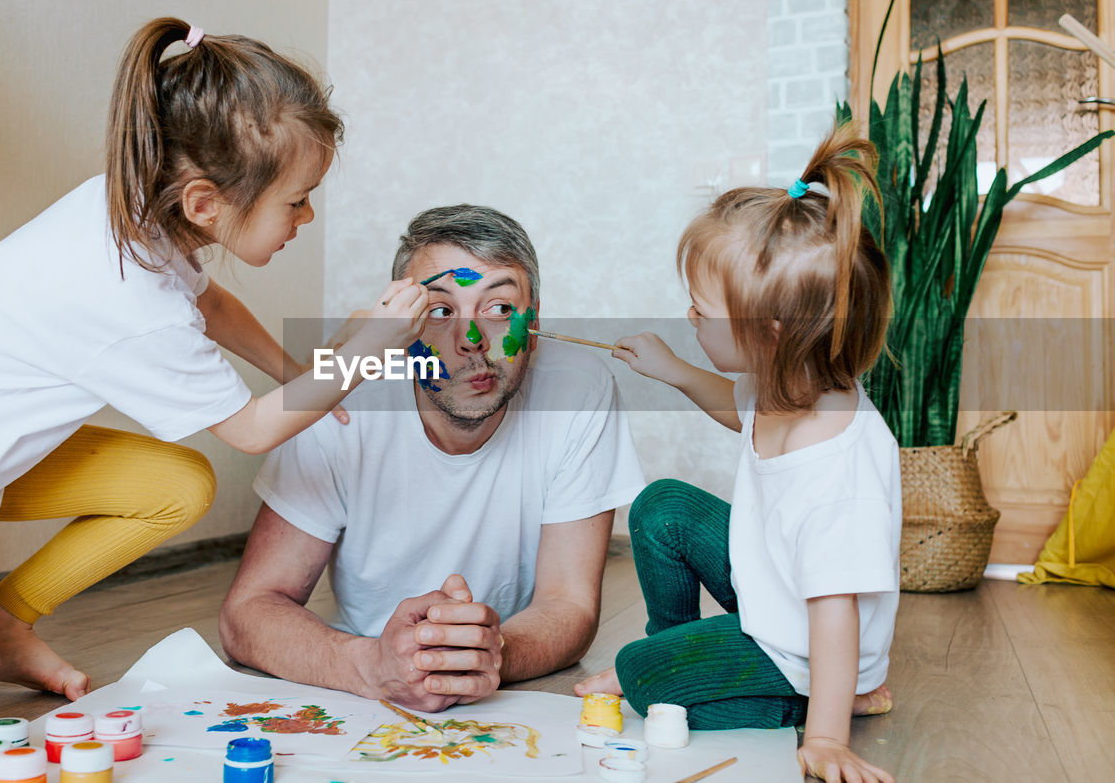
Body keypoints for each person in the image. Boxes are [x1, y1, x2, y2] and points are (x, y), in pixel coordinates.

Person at [0, 17, 427, 775]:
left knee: (174, 485)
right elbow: (247, 432)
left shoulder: (138, 212)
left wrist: (298, 370)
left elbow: (211, 307)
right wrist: (358, 358)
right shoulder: (125, 297)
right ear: (207, 202)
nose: (306, 219)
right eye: (297, 201)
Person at [220, 204, 646, 713]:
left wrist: (490, 656)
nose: (471, 343)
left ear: (536, 320)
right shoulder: (342, 391)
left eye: (500, 308)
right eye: (440, 312)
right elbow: (249, 610)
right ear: (400, 330)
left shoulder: (581, 385)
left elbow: (569, 603)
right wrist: (369, 665)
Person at [575, 125, 900, 783]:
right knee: (661, 506)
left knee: (640, 678)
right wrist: (671, 369)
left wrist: (828, 737)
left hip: (808, 649)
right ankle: (678, 646)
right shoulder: (787, 378)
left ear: (769, 333)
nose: (689, 319)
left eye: (700, 312)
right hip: (774, 588)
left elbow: (832, 612)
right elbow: (738, 406)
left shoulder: (840, 473)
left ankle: (807, 700)